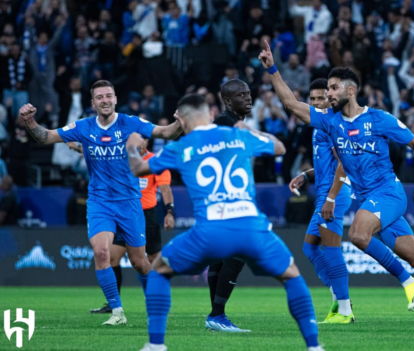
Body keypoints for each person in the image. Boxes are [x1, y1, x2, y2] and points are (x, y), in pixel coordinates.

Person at [260, 41, 414, 334]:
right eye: (326, 88)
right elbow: (291, 104)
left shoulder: (379, 119)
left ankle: (406, 279)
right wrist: (273, 69)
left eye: (333, 88)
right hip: (372, 201)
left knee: (357, 233)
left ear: (350, 90)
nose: (328, 93)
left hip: (389, 194)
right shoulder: (330, 122)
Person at [127, 94, 322, 351]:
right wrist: (246, 127)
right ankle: (314, 346)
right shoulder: (236, 136)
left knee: (159, 270)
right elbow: (279, 148)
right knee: (292, 276)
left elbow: (139, 170)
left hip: (210, 232)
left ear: (181, 120)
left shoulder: (181, 147)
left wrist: (131, 147)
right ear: (209, 114)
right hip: (252, 228)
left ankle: (155, 344)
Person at [17, 79, 183, 325]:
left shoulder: (130, 123)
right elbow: (46, 137)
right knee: (101, 252)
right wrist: (30, 122)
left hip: (129, 203)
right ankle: (117, 312)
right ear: (93, 102)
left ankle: (156, 301)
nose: (105, 100)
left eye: (109, 96)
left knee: (139, 262)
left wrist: (181, 121)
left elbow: (166, 132)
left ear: (115, 99)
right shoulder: (83, 127)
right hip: (99, 202)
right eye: (100, 97)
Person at [288, 78, 355, 323]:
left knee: (332, 249)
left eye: (320, 98)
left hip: (333, 195)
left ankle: (345, 309)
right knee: (310, 246)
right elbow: (327, 165)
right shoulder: (319, 126)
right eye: (312, 99)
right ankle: (339, 297)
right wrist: (305, 175)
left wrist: (331, 198)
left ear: (330, 97)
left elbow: (344, 163)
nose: (316, 102)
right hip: (325, 193)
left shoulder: (331, 124)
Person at [91, 138, 175, 314]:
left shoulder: (155, 161)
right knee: (112, 258)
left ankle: (154, 297)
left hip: (147, 214)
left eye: (143, 139)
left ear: (147, 142)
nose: (139, 142)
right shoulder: (122, 158)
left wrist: (169, 211)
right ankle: (114, 303)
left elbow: (165, 188)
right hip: (123, 213)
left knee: (150, 259)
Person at [203, 79, 256, 333]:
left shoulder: (227, 123)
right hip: (227, 199)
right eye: (241, 95)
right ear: (227, 100)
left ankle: (216, 316)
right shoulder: (226, 123)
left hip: (219, 199)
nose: (248, 98)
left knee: (221, 258)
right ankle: (217, 314)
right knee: (237, 254)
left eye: (248, 93)